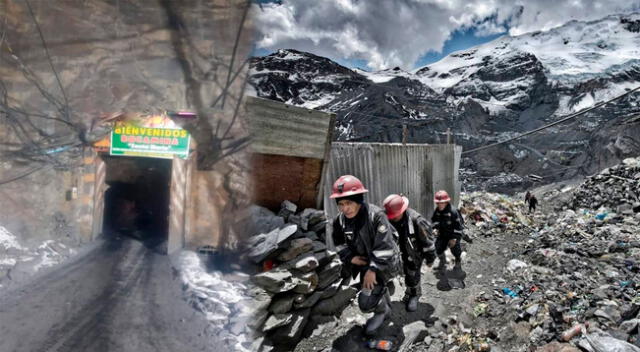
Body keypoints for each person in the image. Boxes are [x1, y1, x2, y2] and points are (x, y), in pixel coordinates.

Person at [331, 175, 400, 336]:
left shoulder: (376, 216)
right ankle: (385, 306)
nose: (344, 208)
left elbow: (386, 246)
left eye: (349, 203)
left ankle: (382, 311)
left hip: (385, 263)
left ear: (359, 200)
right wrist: (350, 257)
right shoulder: (340, 221)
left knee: (366, 303)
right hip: (364, 264)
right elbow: (338, 243)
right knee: (365, 303)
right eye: (341, 204)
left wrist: (372, 270)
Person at [383, 194, 436, 312]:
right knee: (402, 271)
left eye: (394, 216)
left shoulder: (417, 220)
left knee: (412, 272)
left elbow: (429, 242)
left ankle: (414, 294)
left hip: (414, 251)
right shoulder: (388, 217)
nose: (391, 218)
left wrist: (430, 258)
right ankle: (408, 290)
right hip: (399, 248)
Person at [431, 190, 465, 270]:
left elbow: (459, 228)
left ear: (446, 202)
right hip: (443, 233)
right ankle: (442, 262)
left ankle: (458, 261)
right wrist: (435, 229)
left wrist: (454, 238)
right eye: (438, 203)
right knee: (438, 247)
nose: (440, 205)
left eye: (442, 203)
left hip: (454, 234)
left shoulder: (453, 212)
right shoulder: (438, 210)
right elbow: (435, 221)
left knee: (455, 249)